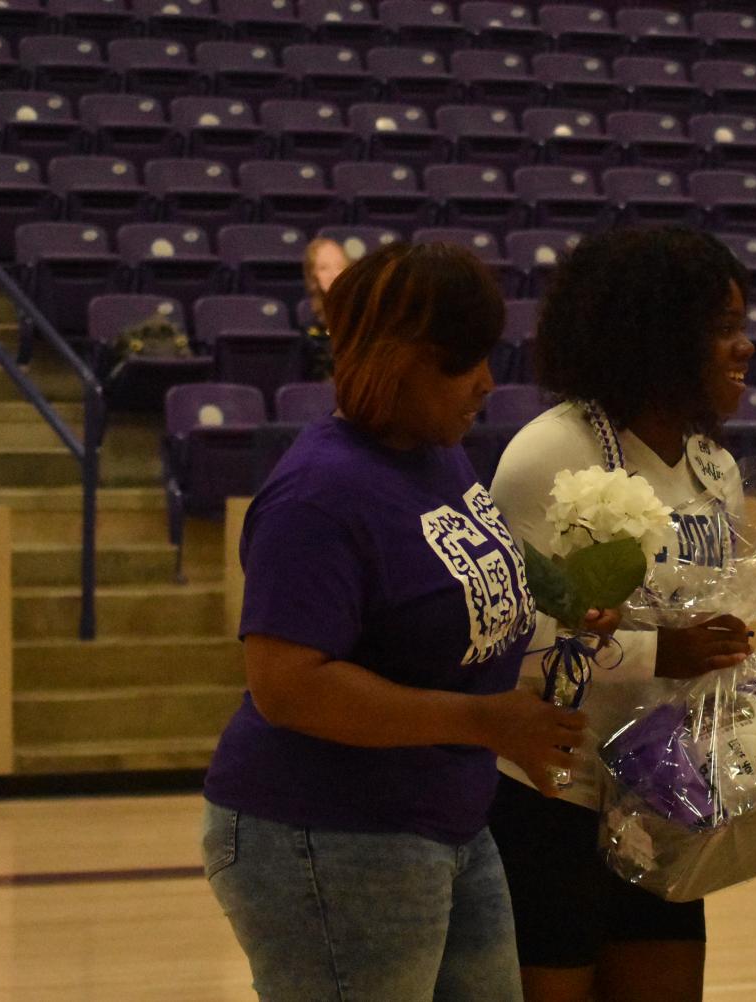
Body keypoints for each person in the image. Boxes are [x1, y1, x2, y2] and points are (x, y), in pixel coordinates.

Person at [201, 241, 601, 1002]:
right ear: (399, 361)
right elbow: (287, 687)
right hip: (325, 833)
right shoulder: (318, 496)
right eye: (464, 362)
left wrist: (564, 597)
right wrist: (485, 722)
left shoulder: (436, 454)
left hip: (444, 817)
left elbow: (457, 577)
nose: (486, 381)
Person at [487, 226, 756, 1002]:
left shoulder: (718, 469)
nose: (743, 348)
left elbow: (712, 623)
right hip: (551, 799)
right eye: (721, 329)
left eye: (742, 324)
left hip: (660, 796)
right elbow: (504, 640)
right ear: (654, 335)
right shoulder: (548, 452)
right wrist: (655, 655)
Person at [301, 236, 348, 379]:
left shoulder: (367, 312)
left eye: (339, 266)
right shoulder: (311, 323)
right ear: (313, 275)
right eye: (323, 268)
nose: (334, 274)